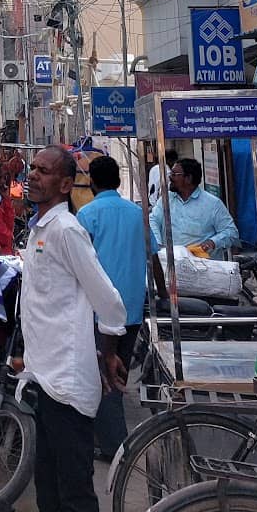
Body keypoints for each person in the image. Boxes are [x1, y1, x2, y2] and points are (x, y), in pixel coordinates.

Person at [19, 147, 126, 512]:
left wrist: (109, 351)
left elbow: (109, 299)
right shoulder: (40, 229)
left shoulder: (67, 230)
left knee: (77, 500)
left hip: (66, 383)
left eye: (43, 172)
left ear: (65, 185)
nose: (33, 176)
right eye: (33, 169)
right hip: (42, 379)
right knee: (49, 497)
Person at [76, 154, 147, 462]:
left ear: (91, 181)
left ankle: (115, 446)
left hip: (100, 310)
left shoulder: (87, 214)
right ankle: (108, 438)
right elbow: (153, 254)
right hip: (132, 306)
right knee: (117, 371)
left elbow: (78, 263)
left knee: (106, 375)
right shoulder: (136, 213)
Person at [149, 158, 240, 280]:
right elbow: (153, 220)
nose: (170, 177)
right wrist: (158, 243)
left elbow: (231, 232)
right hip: (171, 268)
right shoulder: (166, 199)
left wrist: (212, 242)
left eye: (175, 174)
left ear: (188, 178)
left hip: (203, 271)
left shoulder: (212, 204)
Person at [148, 148, 179, 212]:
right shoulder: (168, 172)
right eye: (175, 161)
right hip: (161, 205)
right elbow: (164, 191)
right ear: (170, 160)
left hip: (152, 202)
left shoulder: (154, 168)